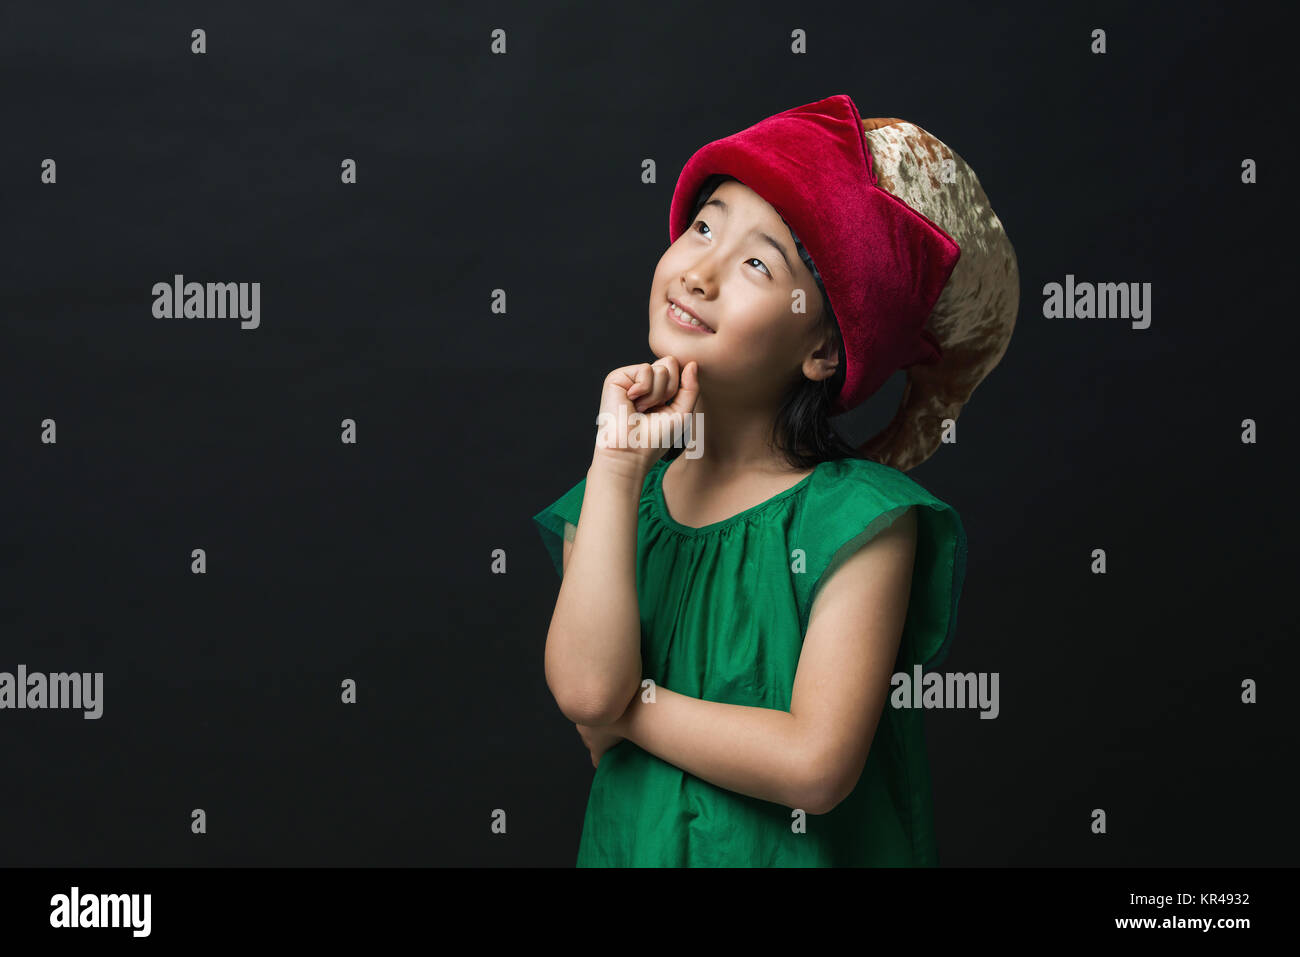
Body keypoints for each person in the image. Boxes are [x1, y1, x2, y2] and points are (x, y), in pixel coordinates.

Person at [532, 93, 1018, 866]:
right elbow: (591, 699)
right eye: (703, 227)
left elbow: (814, 765)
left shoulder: (859, 520)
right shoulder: (613, 498)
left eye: (758, 263)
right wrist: (617, 465)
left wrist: (634, 705)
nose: (701, 271)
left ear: (825, 348)